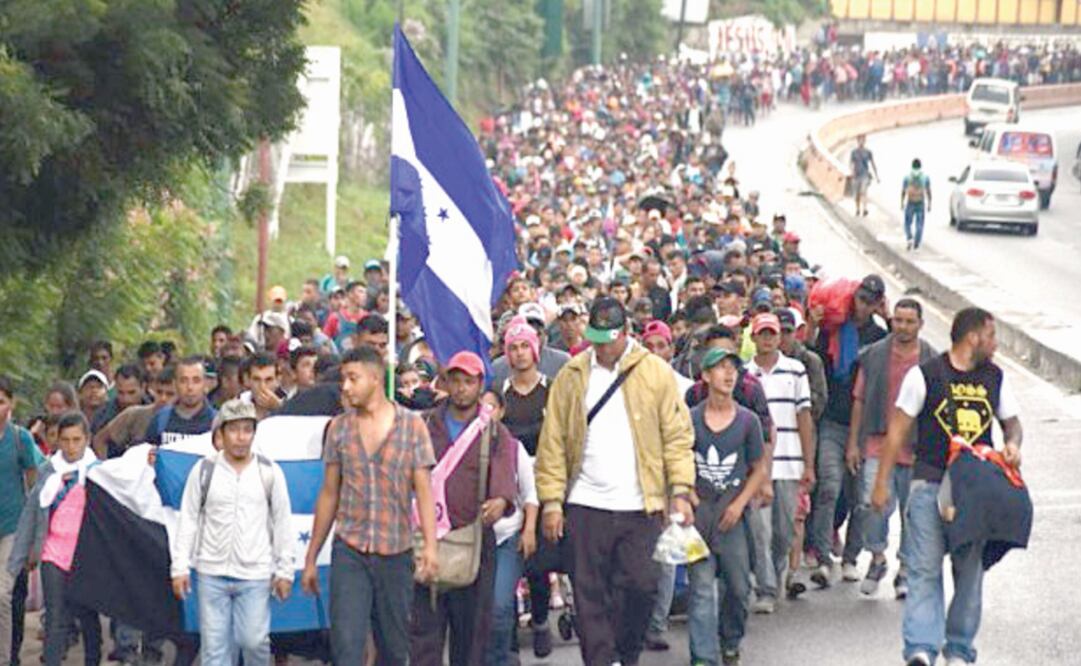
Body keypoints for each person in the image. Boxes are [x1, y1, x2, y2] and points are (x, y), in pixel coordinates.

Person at [535, 297, 695, 666]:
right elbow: (553, 442)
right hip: (586, 503)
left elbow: (677, 436)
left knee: (643, 587)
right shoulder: (573, 375)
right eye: (595, 339)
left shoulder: (655, 373)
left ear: (625, 334)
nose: (601, 347)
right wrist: (553, 502)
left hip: (641, 504)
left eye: (608, 339)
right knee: (590, 596)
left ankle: (626, 653)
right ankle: (601, 660)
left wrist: (681, 491)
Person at [872, 308, 1022, 666]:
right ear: (973, 337)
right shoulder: (925, 376)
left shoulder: (995, 378)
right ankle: (921, 648)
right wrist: (881, 483)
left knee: (969, 573)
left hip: (974, 493)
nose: (995, 344)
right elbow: (897, 431)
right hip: (929, 484)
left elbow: (1012, 423)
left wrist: (1013, 444)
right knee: (924, 568)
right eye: (991, 336)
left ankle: (958, 649)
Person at [301, 346, 439, 665]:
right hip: (350, 550)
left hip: (396, 551)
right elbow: (329, 494)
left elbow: (424, 492)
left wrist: (430, 547)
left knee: (393, 649)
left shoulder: (412, 426)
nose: (346, 387)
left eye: (353, 378)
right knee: (346, 647)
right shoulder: (339, 428)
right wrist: (311, 557)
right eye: (343, 380)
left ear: (375, 378)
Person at [410, 351, 517, 666]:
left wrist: (501, 499)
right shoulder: (424, 425)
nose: (460, 388)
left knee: (471, 637)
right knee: (423, 635)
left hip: (473, 542)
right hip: (426, 540)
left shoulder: (494, 431)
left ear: (480, 384)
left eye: (468, 381)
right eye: (454, 380)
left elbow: (504, 474)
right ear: (444, 382)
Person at [170, 399, 294, 666]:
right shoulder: (204, 471)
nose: (241, 438)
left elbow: (283, 522)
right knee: (214, 652)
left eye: (247, 430)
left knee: (254, 641)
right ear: (221, 435)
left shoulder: (269, 472)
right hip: (211, 573)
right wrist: (179, 568)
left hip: (255, 574)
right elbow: (188, 520)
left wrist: (285, 570)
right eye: (234, 430)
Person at [847, 299, 936, 600]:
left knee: (913, 514)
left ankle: (906, 570)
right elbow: (859, 399)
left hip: (917, 448)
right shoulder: (874, 355)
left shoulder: (932, 361)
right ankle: (877, 557)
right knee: (871, 504)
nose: (903, 327)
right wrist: (853, 443)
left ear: (920, 324)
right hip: (877, 442)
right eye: (898, 320)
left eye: (910, 321)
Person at [687, 348, 768, 666]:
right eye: (719, 368)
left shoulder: (748, 421)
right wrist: (687, 497)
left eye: (733, 368)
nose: (728, 374)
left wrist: (740, 504)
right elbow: (676, 459)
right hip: (699, 514)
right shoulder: (690, 418)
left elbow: (758, 467)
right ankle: (703, 655)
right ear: (706, 376)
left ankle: (730, 640)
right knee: (701, 589)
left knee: (737, 586)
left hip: (734, 514)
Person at [808, 274, 888, 588]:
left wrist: (891, 320)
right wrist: (814, 326)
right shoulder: (835, 330)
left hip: (867, 428)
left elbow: (899, 362)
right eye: (861, 299)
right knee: (829, 487)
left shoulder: (880, 336)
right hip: (833, 420)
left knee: (860, 497)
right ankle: (823, 556)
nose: (863, 307)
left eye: (871, 302)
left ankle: (852, 557)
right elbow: (813, 360)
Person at [8, 412, 101, 666]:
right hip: (53, 552)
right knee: (56, 618)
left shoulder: (99, 473)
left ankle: (92, 660)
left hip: (85, 555)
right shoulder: (48, 470)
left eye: (77, 440)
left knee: (87, 614)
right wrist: (20, 556)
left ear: (87, 439)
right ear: (57, 441)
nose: (71, 447)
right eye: (65, 440)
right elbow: (32, 513)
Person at [745, 312, 816, 613]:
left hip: (789, 462)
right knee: (760, 530)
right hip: (758, 466)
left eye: (772, 333)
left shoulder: (796, 371)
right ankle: (766, 587)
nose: (768, 339)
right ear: (754, 338)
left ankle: (774, 573)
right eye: (762, 334)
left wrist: (808, 463)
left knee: (785, 529)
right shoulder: (745, 375)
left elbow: (804, 417)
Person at [482, 390, 539, 666]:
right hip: (471, 538)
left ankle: (500, 658)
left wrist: (528, 530)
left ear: (501, 411)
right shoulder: (461, 447)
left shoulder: (514, 449)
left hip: (506, 536)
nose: (485, 413)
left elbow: (530, 495)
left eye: (490, 407)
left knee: (500, 605)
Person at [0, 376, 45, 665]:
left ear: (11, 404)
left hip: (12, 528)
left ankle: (6, 658)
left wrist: (34, 541)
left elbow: (35, 489)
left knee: (2, 596)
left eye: (1, 401)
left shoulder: (20, 439)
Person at [144, 356, 217, 445]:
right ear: (175, 385)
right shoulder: (160, 419)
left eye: (196, 381)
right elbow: (147, 452)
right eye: (184, 381)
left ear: (205, 384)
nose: (190, 387)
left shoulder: (217, 422)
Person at [89, 364, 148, 435]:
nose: (126, 399)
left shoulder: (155, 411)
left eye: (131, 393)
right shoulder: (102, 416)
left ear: (143, 388)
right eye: (121, 393)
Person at [901, 158, 932, 251]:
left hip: (910, 202)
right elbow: (928, 191)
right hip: (920, 202)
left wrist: (902, 202)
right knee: (920, 224)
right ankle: (917, 242)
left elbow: (903, 190)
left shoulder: (907, 177)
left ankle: (909, 237)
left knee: (907, 223)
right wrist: (930, 202)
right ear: (920, 166)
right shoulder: (925, 177)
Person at [850, 133, 880, 217]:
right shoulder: (854, 152)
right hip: (856, 175)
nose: (861, 142)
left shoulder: (868, 152)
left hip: (865, 175)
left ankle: (865, 209)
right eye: (860, 140)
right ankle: (857, 209)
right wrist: (852, 172)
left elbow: (873, 164)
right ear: (857, 141)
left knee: (864, 191)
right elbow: (852, 163)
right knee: (857, 194)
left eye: (863, 140)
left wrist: (876, 176)